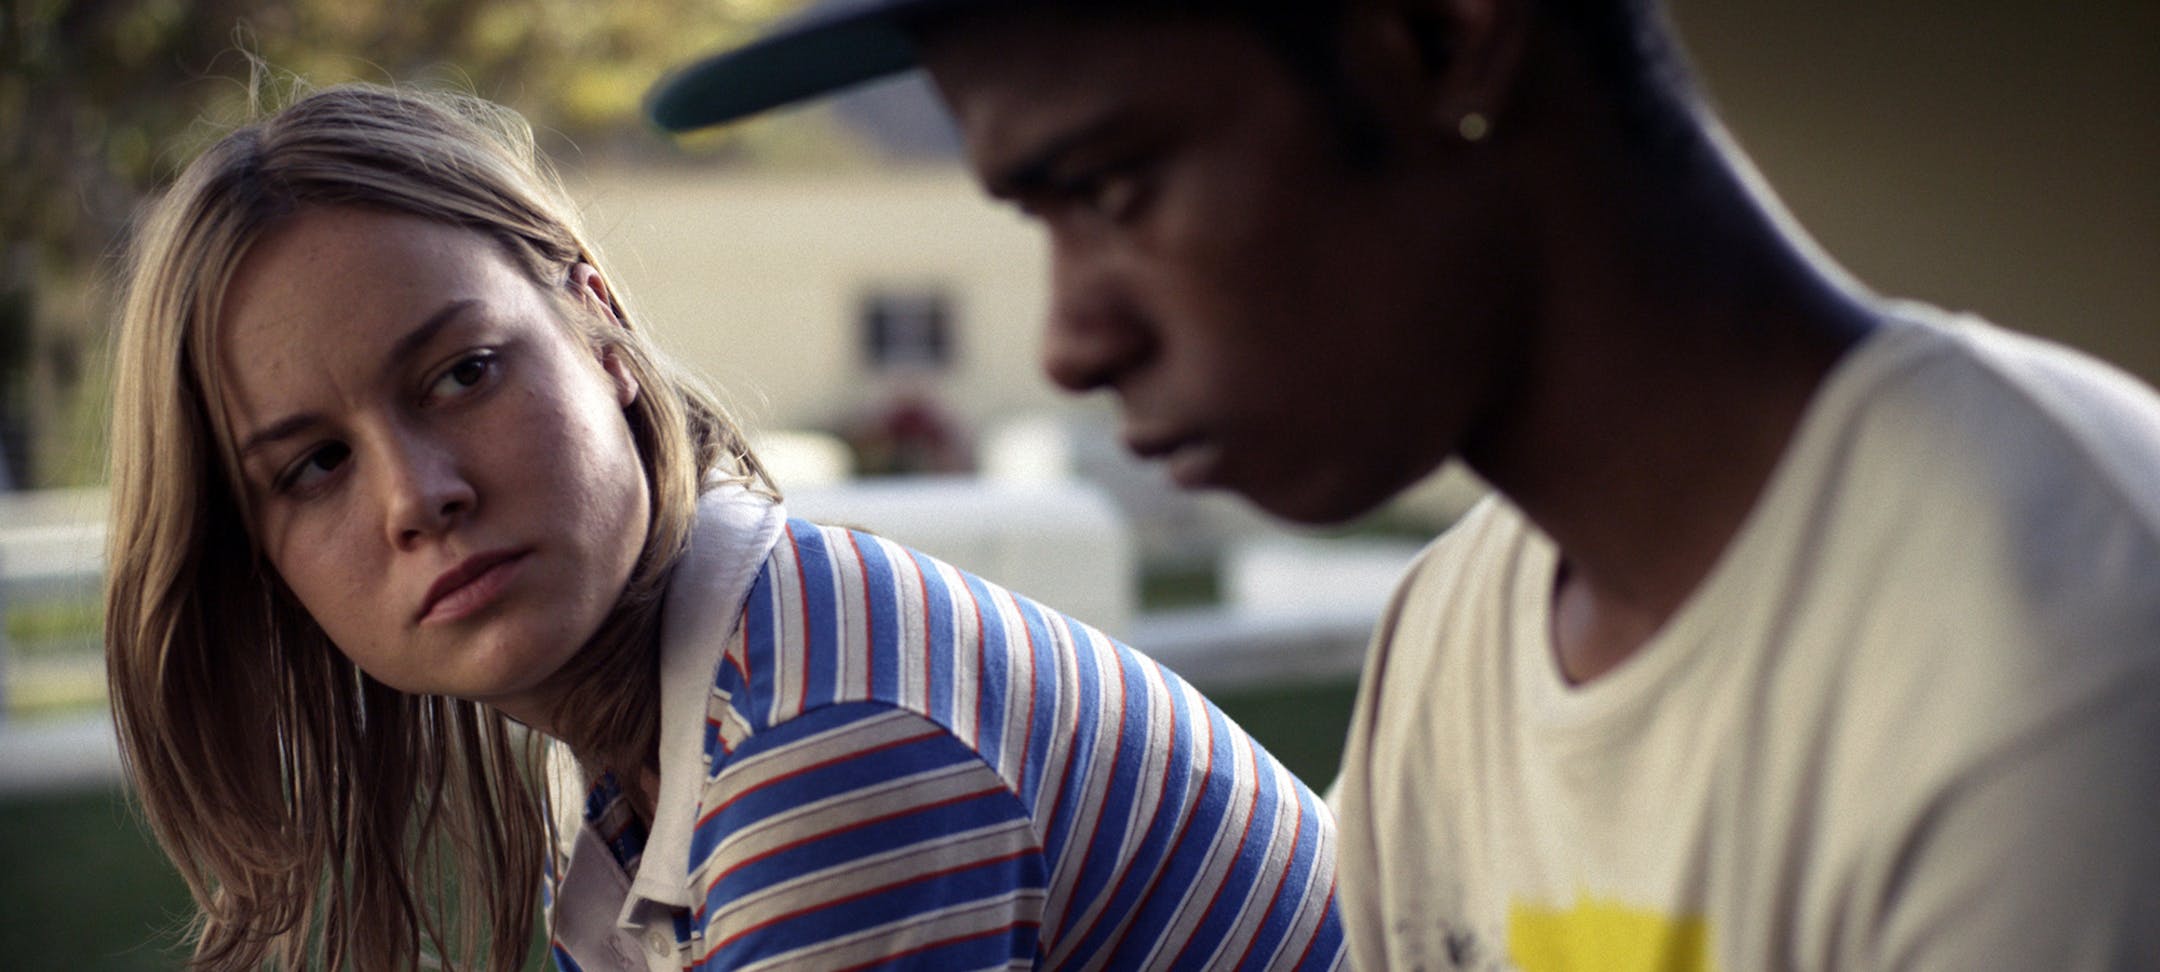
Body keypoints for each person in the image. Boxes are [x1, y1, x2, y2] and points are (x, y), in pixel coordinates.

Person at [648, 0, 2160, 968]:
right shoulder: (1460, 629)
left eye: (1113, 189)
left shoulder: (2058, 660)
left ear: (1440, 40)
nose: (1067, 340)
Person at [104, 81, 1344, 971]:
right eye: (314, 465)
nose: (415, 497)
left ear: (600, 330)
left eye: (464, 373)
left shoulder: (822, 736)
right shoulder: (654, 748)